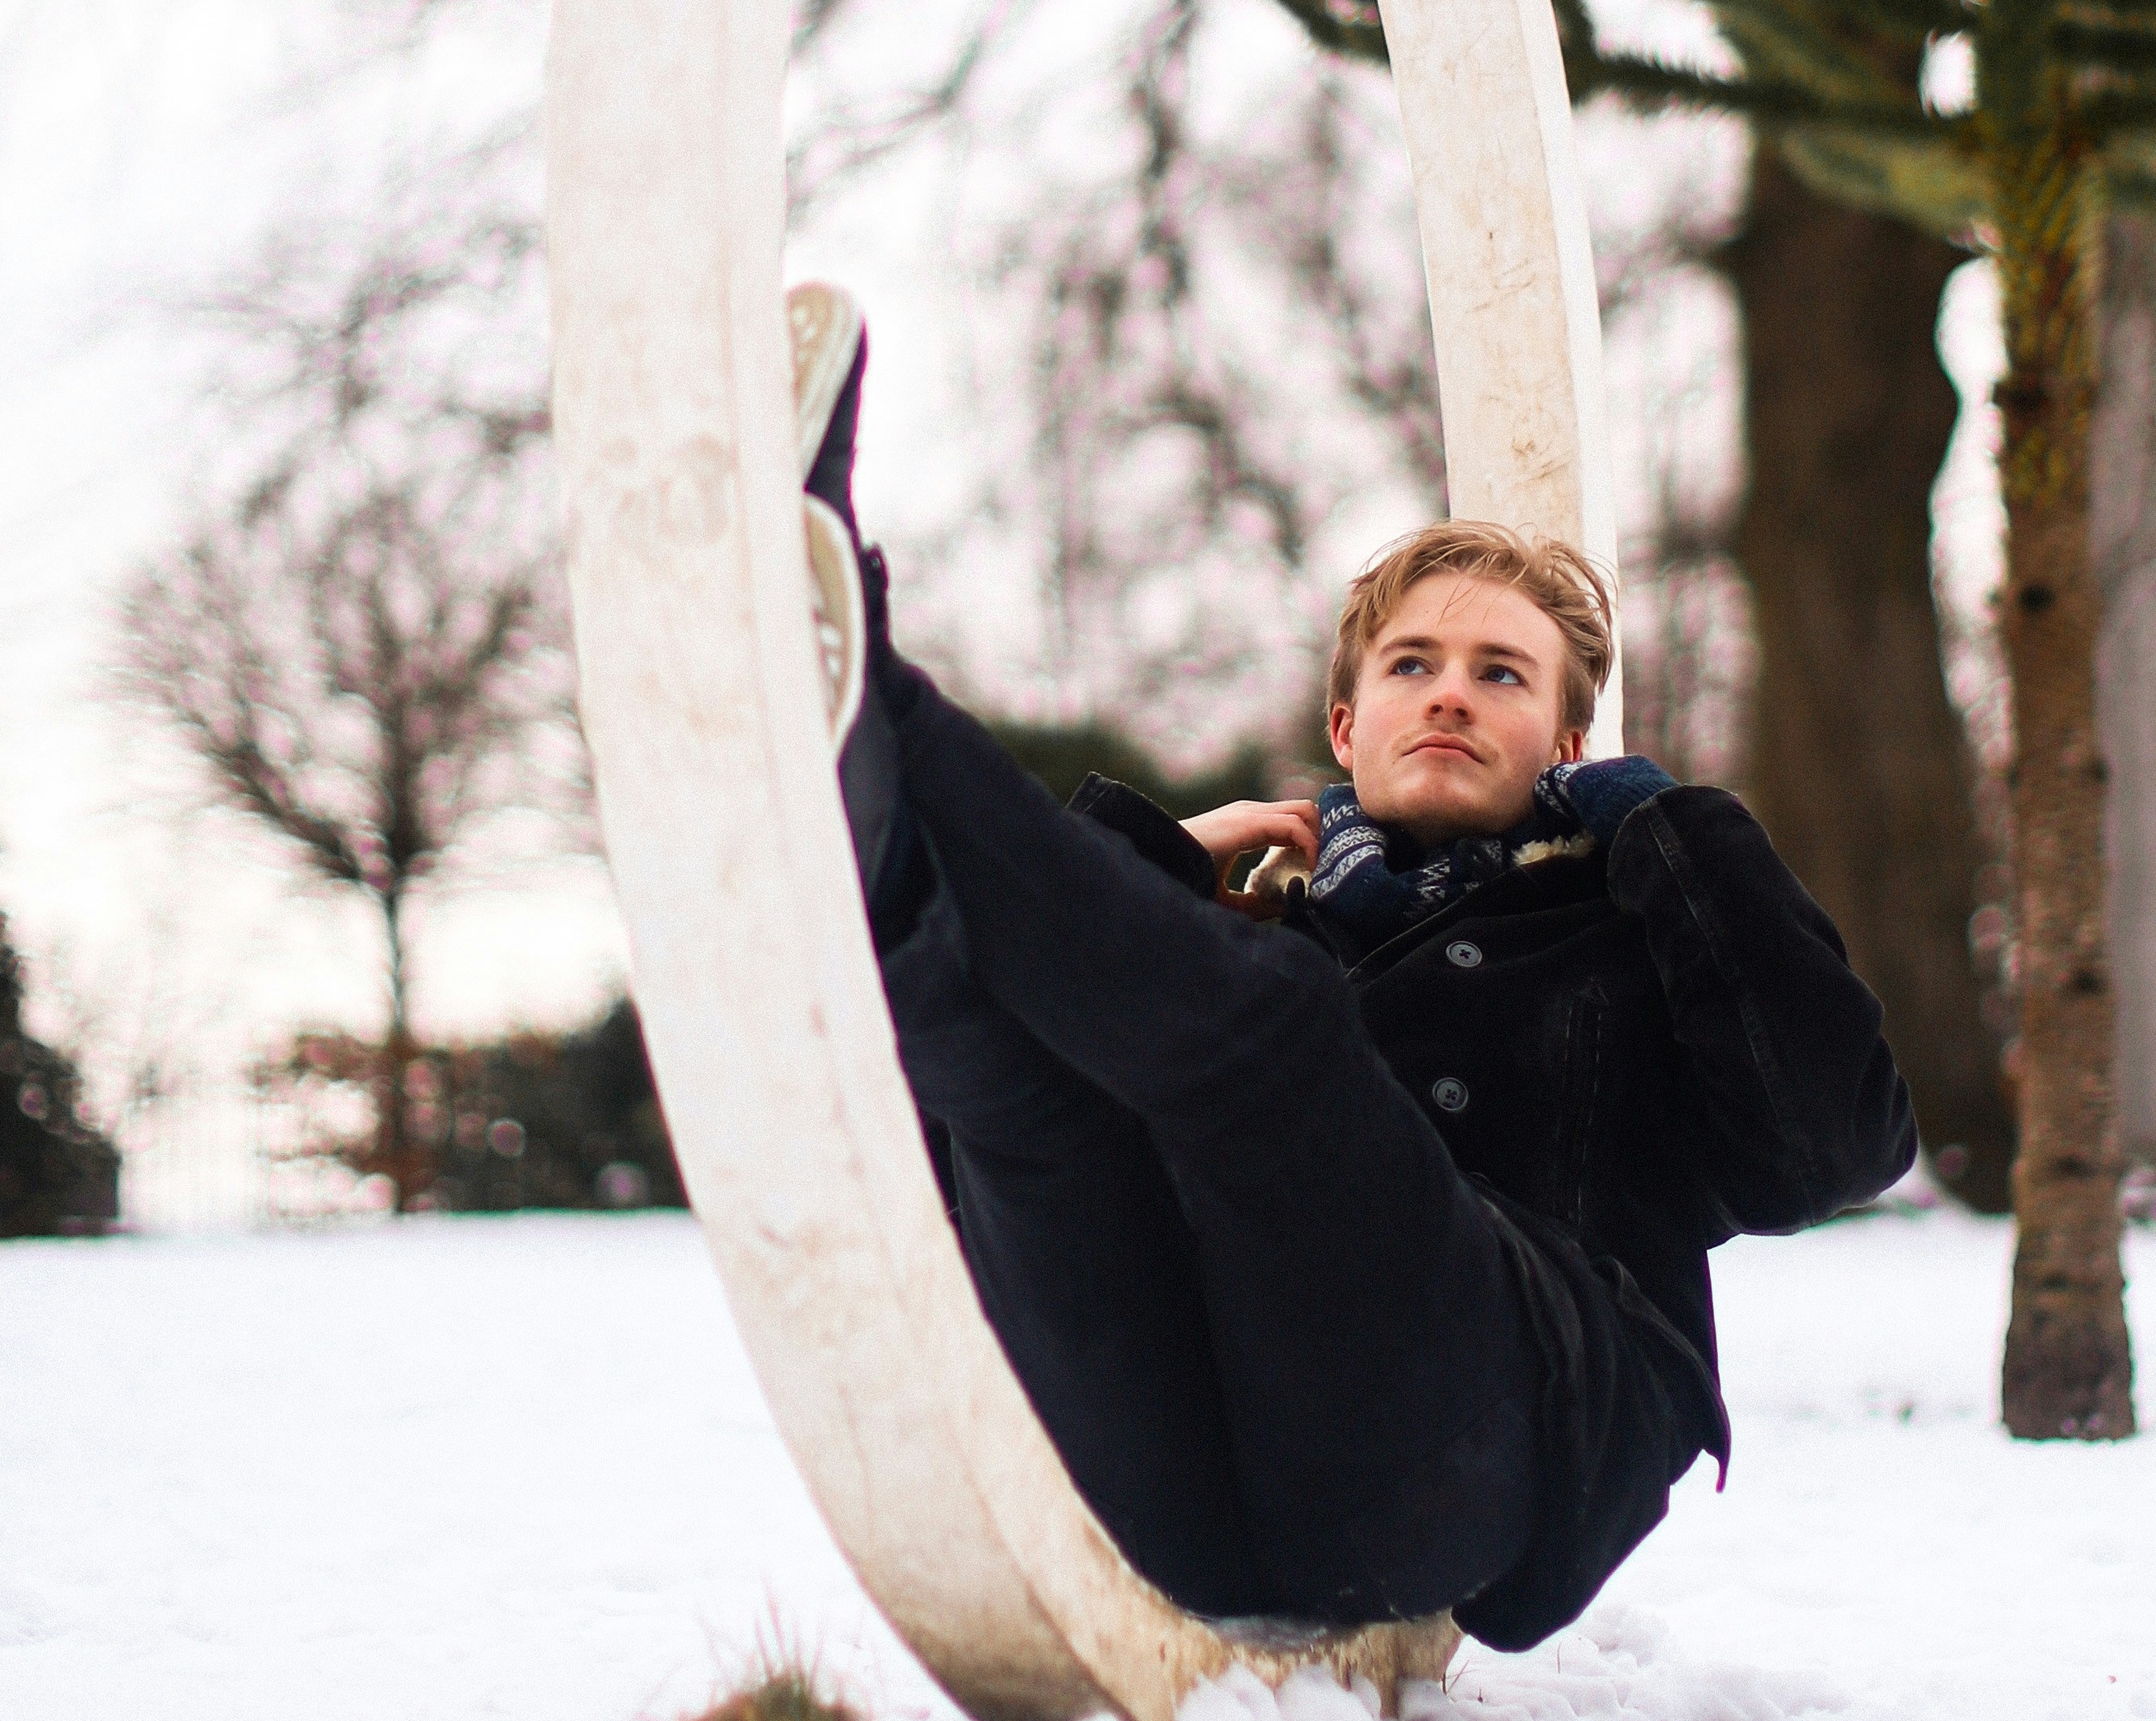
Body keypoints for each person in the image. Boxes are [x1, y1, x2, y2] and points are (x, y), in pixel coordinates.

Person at [788, 281, 1918, 1652]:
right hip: (1180, 1487)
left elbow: (1835, 1148)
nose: (1450, 690)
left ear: (1572, 748)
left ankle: (856, 678)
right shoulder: (1262, 932)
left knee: (1277, 1038)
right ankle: (835, 722)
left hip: (1488, 1455)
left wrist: (1676, 833)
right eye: (1413, 664)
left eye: (1504, 675)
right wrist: (1149, 858)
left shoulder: (1634, 935)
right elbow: (929, 1144)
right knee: (1026, 1094)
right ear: (1347, 721)